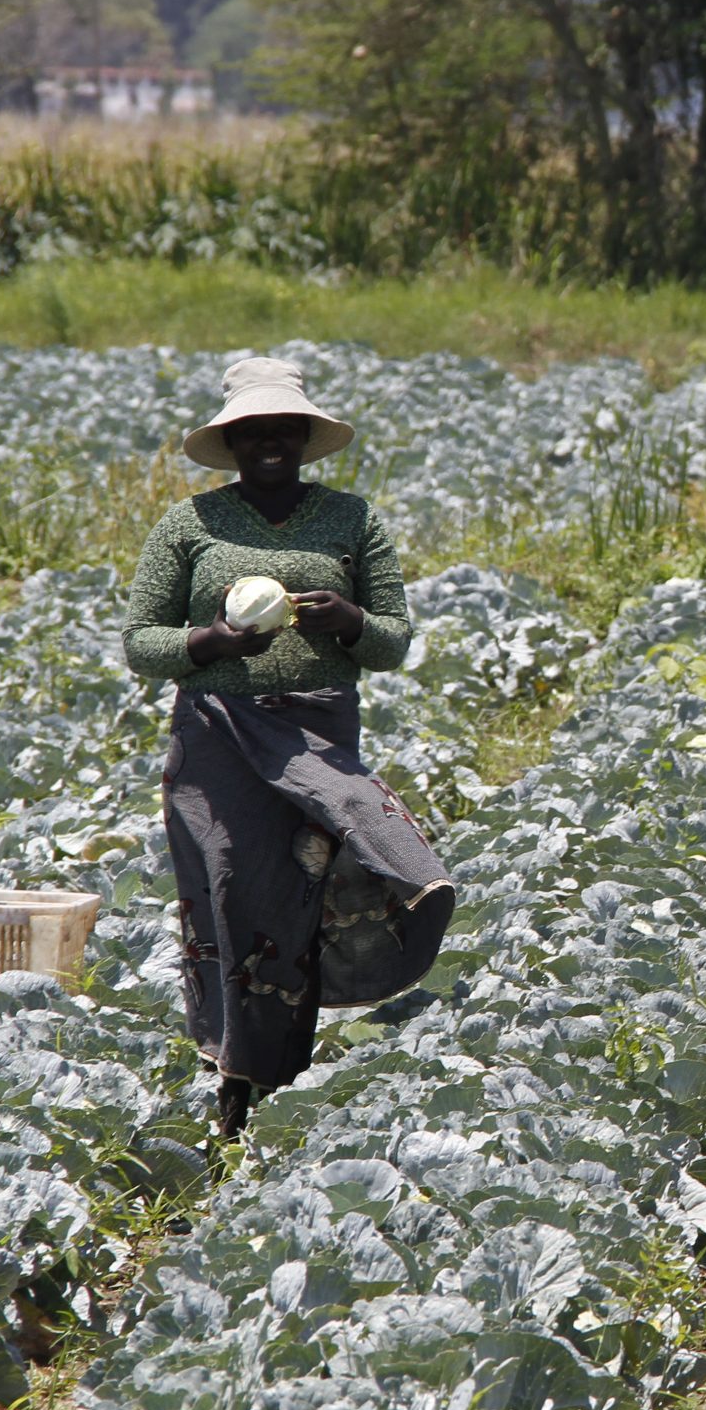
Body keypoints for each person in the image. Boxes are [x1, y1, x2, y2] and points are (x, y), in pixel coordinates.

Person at [123, 356, 455, 1137]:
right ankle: (239, 1085)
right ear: (231, 443)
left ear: (305, 439)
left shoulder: (353, 520)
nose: (269, 442)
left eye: (284, 430)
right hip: (218, 741)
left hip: (317, 733)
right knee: (235, 897)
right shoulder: (190, 525)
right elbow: (142, 641)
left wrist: (348, 621)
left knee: (317, 886)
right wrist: (211, 641)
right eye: (252, 432)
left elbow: (395, 641)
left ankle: (293, 1061)